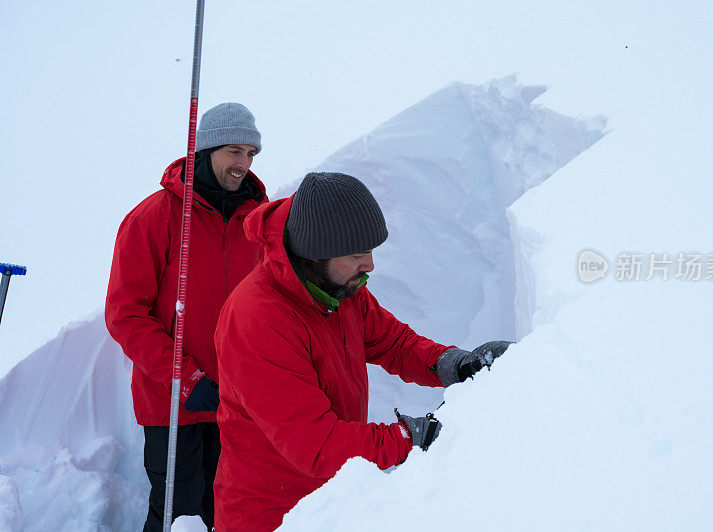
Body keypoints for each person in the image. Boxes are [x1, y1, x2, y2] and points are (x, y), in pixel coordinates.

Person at [213, 171, 511, 530]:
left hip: (335, 497)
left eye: (370, 251)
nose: (369, 265)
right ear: (315, 254)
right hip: (274, 514)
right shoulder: (257, 320)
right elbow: (316, 444)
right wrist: (409, 437)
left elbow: (392, 343)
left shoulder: (337, 287)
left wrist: (452, 365)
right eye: (357, 254)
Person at [105, 103, 268, 531]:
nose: (243, 164)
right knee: (178, 514)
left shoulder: (256, 220)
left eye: (251, 154)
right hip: (172, 401)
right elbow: (126, 315)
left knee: (230, 512)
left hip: (237, 401)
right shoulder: (153, 217)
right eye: (235, 151)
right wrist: (185, 376)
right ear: (207, 148)